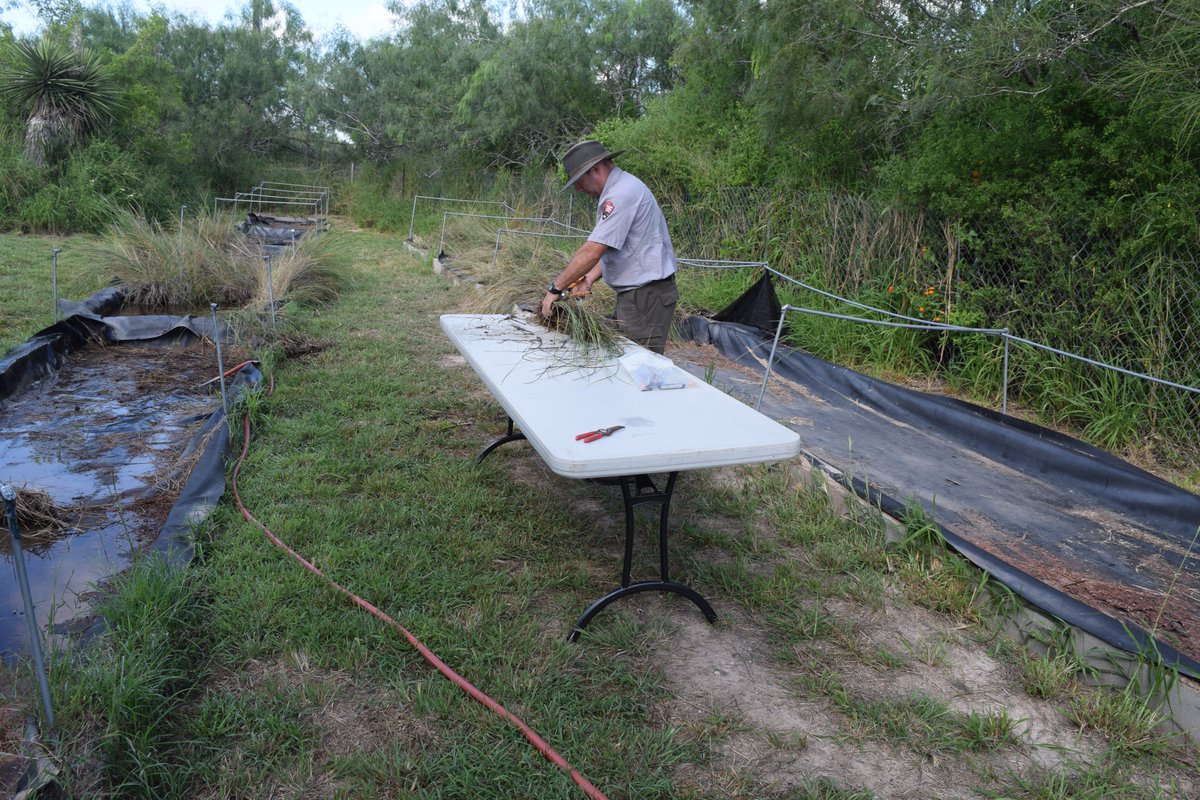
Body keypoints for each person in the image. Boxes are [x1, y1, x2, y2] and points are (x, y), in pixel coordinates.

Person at [540, 140, 678, 354]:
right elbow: (617, 248)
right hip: (640, 296)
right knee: (625, 362)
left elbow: (592, 251)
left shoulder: (621, 194)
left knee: (637, 368)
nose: (578, 188)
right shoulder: (622, 188)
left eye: (579, 180)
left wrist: (555, 289)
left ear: (595, 169)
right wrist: (587, 279)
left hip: (645, 298)